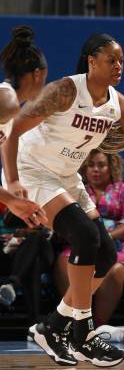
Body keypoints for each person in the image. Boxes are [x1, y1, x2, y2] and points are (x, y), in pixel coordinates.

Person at [2, 32, 124, 368]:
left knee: (107, 253)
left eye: (122, 60)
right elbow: (12, 133)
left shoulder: (121, 106)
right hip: (33, 169)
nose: (119, 66)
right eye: (112, 59)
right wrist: (12, 181)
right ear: (91, 60)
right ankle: (83, 332)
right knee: (85, 236)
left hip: (67, 176)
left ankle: (53, 327)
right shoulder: (65, 90)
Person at [54, 149, 124, 327]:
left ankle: (96, 325)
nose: (95, 169)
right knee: (64, 262)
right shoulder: (78, 191)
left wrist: (103, 237)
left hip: (122, 247)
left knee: (113, 269)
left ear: (111, 167)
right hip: (81, 243)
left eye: (101, 165)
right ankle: (73, 321)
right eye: (91, 165)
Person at [0, 26, 48, 226]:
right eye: (44, 78)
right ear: (37, 74)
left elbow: (6, 141)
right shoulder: (7, 101)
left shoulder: (9, 107)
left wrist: (12, 183)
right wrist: (11, 200)